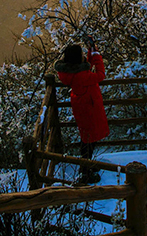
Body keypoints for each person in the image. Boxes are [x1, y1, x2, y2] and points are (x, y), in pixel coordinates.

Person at [55, 38, 109, 183]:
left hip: (83, 106)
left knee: (87, 138)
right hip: (89, 107)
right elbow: (100, 74)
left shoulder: (71, 73)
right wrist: (96, 55)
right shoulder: (81, 76)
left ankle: (87, 165)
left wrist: (92, 51)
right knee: (89, 140)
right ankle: (85, 170)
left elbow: (85, 66)